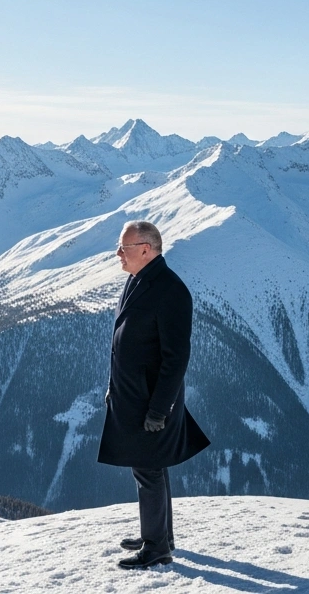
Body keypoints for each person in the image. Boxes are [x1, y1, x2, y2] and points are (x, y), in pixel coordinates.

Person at [97, 219, 211, 569]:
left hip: (152, 401)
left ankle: (157, 547)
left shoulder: (171, 291)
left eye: (124, 247)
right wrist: (113, 387)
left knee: (148, 469)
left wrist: (159, 409)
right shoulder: (138, 280)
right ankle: (160, 534)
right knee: (150, 468)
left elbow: (176, 359)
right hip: (133, 396)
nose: (118, 253)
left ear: (145, 249)